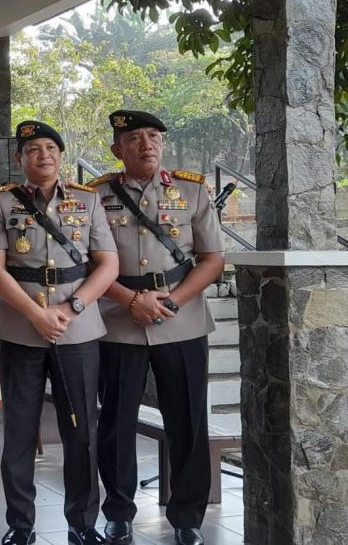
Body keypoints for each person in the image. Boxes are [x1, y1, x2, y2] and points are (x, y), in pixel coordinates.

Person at [0, 120, 118, 545]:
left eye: (51, 148)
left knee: (82, 432)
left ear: (61, 155)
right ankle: (21, 525)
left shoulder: (87, 200)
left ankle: (83, 523)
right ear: (20, 158)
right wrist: (35, 314)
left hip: (77, 330)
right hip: (21, 330)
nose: (44, 155)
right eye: (34, 149)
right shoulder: (2, 201)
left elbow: (108, 264)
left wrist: (72, 307)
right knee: (19, 430)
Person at [90, 111, 224, 545]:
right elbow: (87, 264)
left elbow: (212, 259)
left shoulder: (191, 189)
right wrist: (131, 300)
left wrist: (173, 300)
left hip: (180, 320)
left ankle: (188, 517)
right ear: (117, 149)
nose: (146, 144)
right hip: (118, 322)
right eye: (134, 138)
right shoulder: (95, 195)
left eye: (153, 136)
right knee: (115, 422)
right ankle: (118, 512)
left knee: (187, 420)